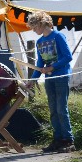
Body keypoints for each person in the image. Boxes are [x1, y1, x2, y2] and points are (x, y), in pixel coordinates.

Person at [29, 11, 74, 153]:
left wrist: (52, 67)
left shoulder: (58, 36)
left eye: (34, 27)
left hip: (61, 77)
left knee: (61, 109)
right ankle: (57, 138)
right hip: (49, 79)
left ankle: (68, 140)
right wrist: (33, 80)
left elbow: (68, 57)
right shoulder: (40, 42)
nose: (33, 30)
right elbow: (40, 63)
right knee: (53, 110)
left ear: (42, 24)